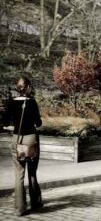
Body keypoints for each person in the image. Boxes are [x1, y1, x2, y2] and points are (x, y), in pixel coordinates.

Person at [1, 76, 43, 216]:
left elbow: (4, 123)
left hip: (16, 139)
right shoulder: (32, 103)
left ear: (18, 89)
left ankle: (20, 208)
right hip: (31, 139)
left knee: (19, 174)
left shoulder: (11, 103)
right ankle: (36, 204)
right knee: (32, 172)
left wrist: (15, 127)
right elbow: (38, 124)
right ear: (28, 87)